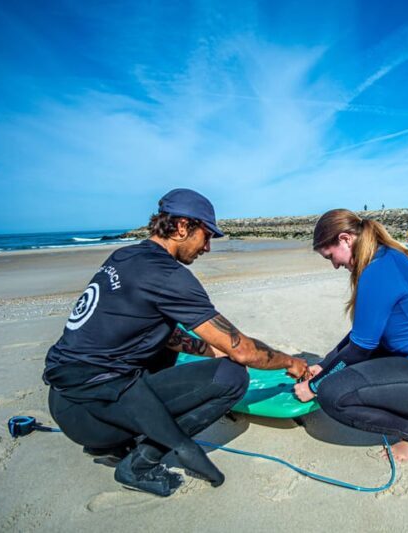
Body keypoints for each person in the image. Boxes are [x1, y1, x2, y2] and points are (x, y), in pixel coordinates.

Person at [43, 188, 308, 497]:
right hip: (95, 415)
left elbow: (166, 337)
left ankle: (118, 444)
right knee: (231, 377)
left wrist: (219, 349)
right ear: (183, 227)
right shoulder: (168, 275)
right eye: (206, 236)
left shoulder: (125, 257)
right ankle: (140, 463)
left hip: (65, 403)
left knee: (165, 351)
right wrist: (291, 362)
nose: (207, 247)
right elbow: (244, 351)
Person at [294, 209, 408, 462]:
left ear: (346, 239)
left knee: (333, 395)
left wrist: (315, 386)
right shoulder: (386, 256)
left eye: (331, 256)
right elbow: (361, 335)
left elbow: (359, 349)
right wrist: (324, 366)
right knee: (340, 372)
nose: (335, 265)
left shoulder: (377, 270)